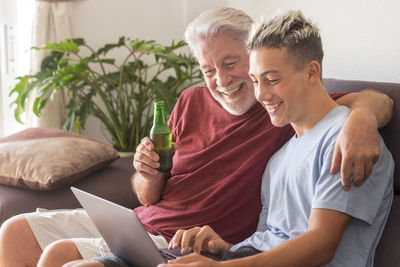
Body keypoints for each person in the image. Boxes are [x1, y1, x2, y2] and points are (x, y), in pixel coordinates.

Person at [0, 7, 393, 267]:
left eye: (232, 65)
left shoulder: (321, 129)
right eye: (209, 70)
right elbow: (267, 236)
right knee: (16, 231)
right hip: (168, 231)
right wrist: (149, 174)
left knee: (65, 259)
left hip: (180, 244)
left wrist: (360, 120)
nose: (224, 82)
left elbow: (321, 243)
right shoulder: (279, 148)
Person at [160, 10, 394, 267]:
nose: (261, 94)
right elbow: (269, 242)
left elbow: (322, 246)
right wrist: (224, 250)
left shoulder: (348, 142)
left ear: (311, 72)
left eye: (272, 80)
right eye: (255, 81)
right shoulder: (278, 160)